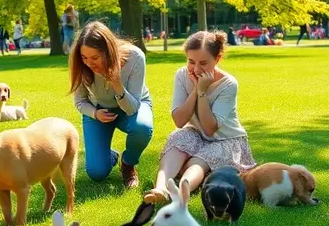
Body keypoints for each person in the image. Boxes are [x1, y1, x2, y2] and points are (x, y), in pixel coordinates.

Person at [144, 30, 255, 203]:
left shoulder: (228, 84)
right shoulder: (182, 75)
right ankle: (160, 188)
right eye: (191, 62)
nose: (196, 69)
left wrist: (202, 91)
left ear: (217, 59)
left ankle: (180, 194)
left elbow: (210, 129)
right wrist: (196, 89)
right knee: (178, 138)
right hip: (196, 133)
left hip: (226, 140)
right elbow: (179, 121)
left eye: (203, 63)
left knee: (196, 162)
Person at [70, 22, 153, 189]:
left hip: (133, 105)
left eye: (94, 58)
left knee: (142, 128)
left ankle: (128, 163)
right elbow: (79, 101)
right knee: (96, 173)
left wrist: (117, 84)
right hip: (99, 111)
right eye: (85, 58)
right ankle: (110, 156)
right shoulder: (80, 63)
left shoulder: (135, 57)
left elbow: (133, 108)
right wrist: (95, 113)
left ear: (109, 51)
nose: (89, 63)